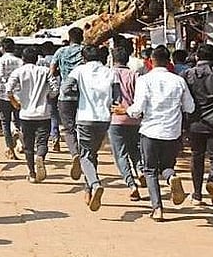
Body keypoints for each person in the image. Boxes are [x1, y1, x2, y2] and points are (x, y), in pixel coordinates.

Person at [117, 46, 194, 221]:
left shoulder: (145, 80)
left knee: (150, 170)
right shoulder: (178, 81)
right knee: (167, 166)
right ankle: (172, 177)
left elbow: (137, 110)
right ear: (169, 61)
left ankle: (157, 208)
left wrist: (126, 110)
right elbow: (190, 106)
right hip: (172, 132)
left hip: (150, 131)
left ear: (151, 60)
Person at [181, 44, 213, 207]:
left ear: (197, 57)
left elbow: (183, 100)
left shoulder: (187, 74)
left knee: (197, 157)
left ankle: (197, 195)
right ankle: (212, 181)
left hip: (195, 122)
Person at [70, 45, 115, 212]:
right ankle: (88, 189)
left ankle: (95, 184)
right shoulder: (110, 72)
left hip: (85, 117)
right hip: (104, 119)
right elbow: (116, 93)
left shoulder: (79, 70)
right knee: (92, 154)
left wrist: (77, 97)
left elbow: (67, 87)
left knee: (85, 156)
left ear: (84, 57)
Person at [5, 47, 59, 183]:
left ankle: (32, 173)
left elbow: (8, 89)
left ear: (23, 59)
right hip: (43, 114)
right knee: (42, 142)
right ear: (37, 59)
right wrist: (48, 96)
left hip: (25, 114)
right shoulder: (45, 71)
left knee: (28, 146)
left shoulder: (18, 72)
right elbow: (55, 90)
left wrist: (14, 102)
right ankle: (40, 156)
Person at [107, 46, 145, 201]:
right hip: (134, 118)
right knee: (134, 150)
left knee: (120, 154)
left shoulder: (109, 74)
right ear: (127, 59)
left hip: (116, 119)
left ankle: (131, 185)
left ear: (112, 58)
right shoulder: (134, 75)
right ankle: (140, 170)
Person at [51, 27, 84, 180]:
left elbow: (52, 70)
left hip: (65, 95)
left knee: (69, 129)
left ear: (69, 38)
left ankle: (74, 153)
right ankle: (84, 155)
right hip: (83, 95)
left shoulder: (60, 52)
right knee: (82, 126)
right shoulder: (85, 51)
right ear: (82, 37)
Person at [0, 38, 24, 159]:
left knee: (5, 122)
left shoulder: (1, 61)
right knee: (18, 120)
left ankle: (9, 148)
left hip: (4, 94)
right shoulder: (20, 61)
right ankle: (19, 138)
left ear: (2, 48)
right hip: (18, 95)